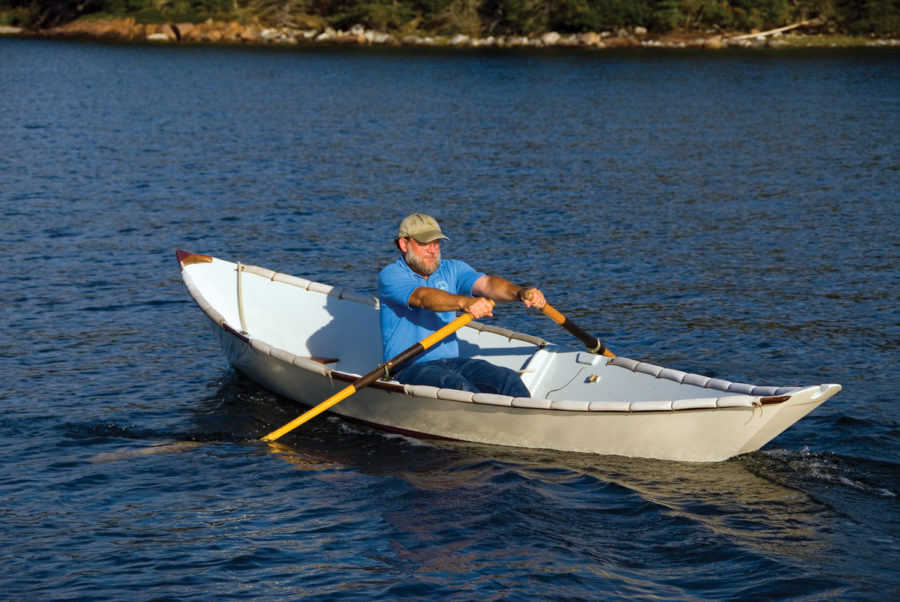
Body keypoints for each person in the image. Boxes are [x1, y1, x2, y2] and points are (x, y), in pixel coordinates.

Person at [377, 213, 546, 397]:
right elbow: (422, 297)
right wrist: (465, 302)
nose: (433, 250)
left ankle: (527, 413)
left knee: (508, 379)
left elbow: (488, 284)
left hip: (450, 362)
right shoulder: (391, 275)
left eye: (436, 243)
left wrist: (520, 293)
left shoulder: (453, 269)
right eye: (425, 244)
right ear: (404, 244)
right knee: (459, 387)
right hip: (407, 367)